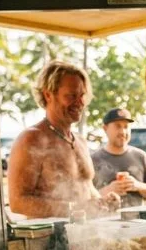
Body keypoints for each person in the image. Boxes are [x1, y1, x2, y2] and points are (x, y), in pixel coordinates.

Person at [8, 61, 119, 218]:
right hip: (50, 240)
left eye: (82, 96)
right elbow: (18, 202)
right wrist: (75, 208)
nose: (80, 103)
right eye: (72, 95)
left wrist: (103, 202)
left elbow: (85, 190)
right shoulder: (31, 139)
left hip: (84, 237)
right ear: (48, 94)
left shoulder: (80, 141)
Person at [92, 108, 146, 208]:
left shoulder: (141, 156)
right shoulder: (93, 160)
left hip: (137, 221)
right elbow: (83, 198)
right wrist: (106, 191)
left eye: (126, 127)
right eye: (118, 126)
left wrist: (137, 185)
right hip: (104, 221)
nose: (123, 131)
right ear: (105, 128)